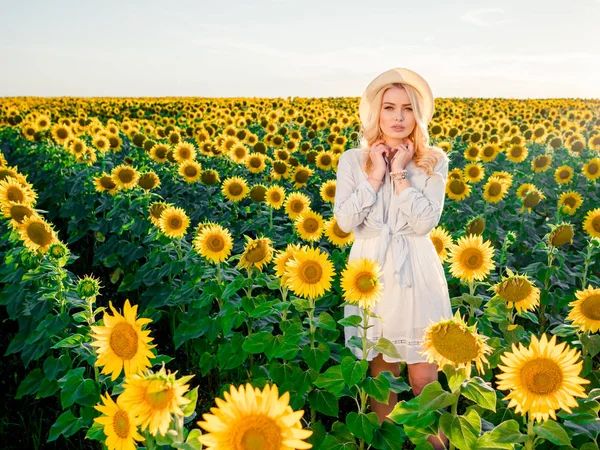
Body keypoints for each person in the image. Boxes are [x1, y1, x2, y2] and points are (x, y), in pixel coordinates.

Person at [333, 68, 452, 450]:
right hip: (370, 268)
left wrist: (399, 174)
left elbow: (424, 224)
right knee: (382, 378)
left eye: (407, 108)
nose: (398, 117)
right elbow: (346, 221)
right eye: (389, 108)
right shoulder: (353, 160)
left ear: (419, 115)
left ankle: (438, 446)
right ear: (376, 113)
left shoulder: (433, 160)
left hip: (415, 268)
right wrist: (376, 175)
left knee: (422, 379)